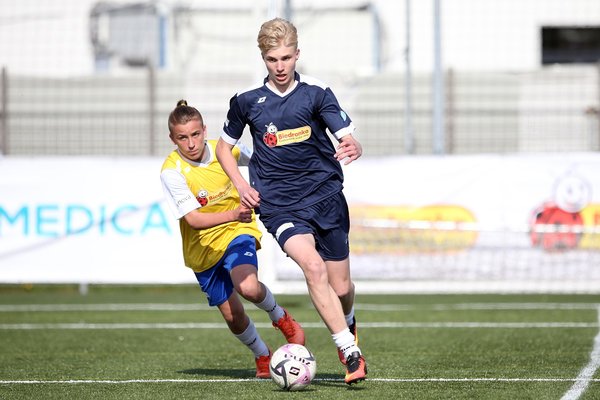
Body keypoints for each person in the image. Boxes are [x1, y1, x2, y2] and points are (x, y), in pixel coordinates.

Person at [216, 18, 367, 385]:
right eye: (272, 59)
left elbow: (344, 133)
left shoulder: (316, 93)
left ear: (297, 54)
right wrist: (240, 183)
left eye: (286, 58)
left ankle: (347, 321)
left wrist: (353, 144)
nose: (280, 67)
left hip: (326, 197)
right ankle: (349, 350)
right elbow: (223, 147)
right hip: (280, 205)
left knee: (342, 287)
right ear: (263, 58)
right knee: (313, 269)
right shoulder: (247, 100)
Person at [160, 100, 305, 379]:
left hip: (238, 231)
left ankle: (281, 318)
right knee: (233, 316)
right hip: (202, 248)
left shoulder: (224, 151)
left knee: (248, 287)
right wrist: (233, 213)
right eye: (182, 137)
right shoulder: (172, 171)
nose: (190, 143)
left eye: (195, 134)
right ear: (172, 138)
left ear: (204, 130)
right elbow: (194, 220)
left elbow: (262, 158)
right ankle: (262, 354)